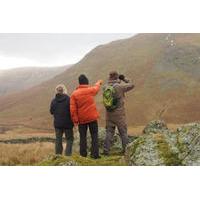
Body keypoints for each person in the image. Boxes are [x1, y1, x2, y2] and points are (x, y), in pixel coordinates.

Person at [70, 74, 103, 159]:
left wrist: (75, 121)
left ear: (79, 83)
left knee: (83, 137)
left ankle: (83, 155)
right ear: (87, 82)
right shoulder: (90, 90)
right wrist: (99, 82)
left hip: (82, 120)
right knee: (94, 135)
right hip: (92, 118)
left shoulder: (74, 94)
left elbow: (73, 110)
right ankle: (95, 154)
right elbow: (96, 88)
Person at [103, 71, 134, 155]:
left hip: (109, 114)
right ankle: (126, 150)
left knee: (109, 132)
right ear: (117, 77)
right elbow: (132, 85)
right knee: (123, 132)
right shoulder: (120, 87)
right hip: (119, 114)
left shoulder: (105, 87)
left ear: (109, 77)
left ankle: (106, 150)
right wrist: (124, 79)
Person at [50, 84, 74, 156]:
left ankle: (58, 156)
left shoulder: (53, 101)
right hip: (68, 124)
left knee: (58, 140)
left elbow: (51, 112)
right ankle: (68, 156)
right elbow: (72, 111)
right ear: (64, 90)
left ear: (56, 91)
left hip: (58, 124)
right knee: (69, 139)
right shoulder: (69, 99)